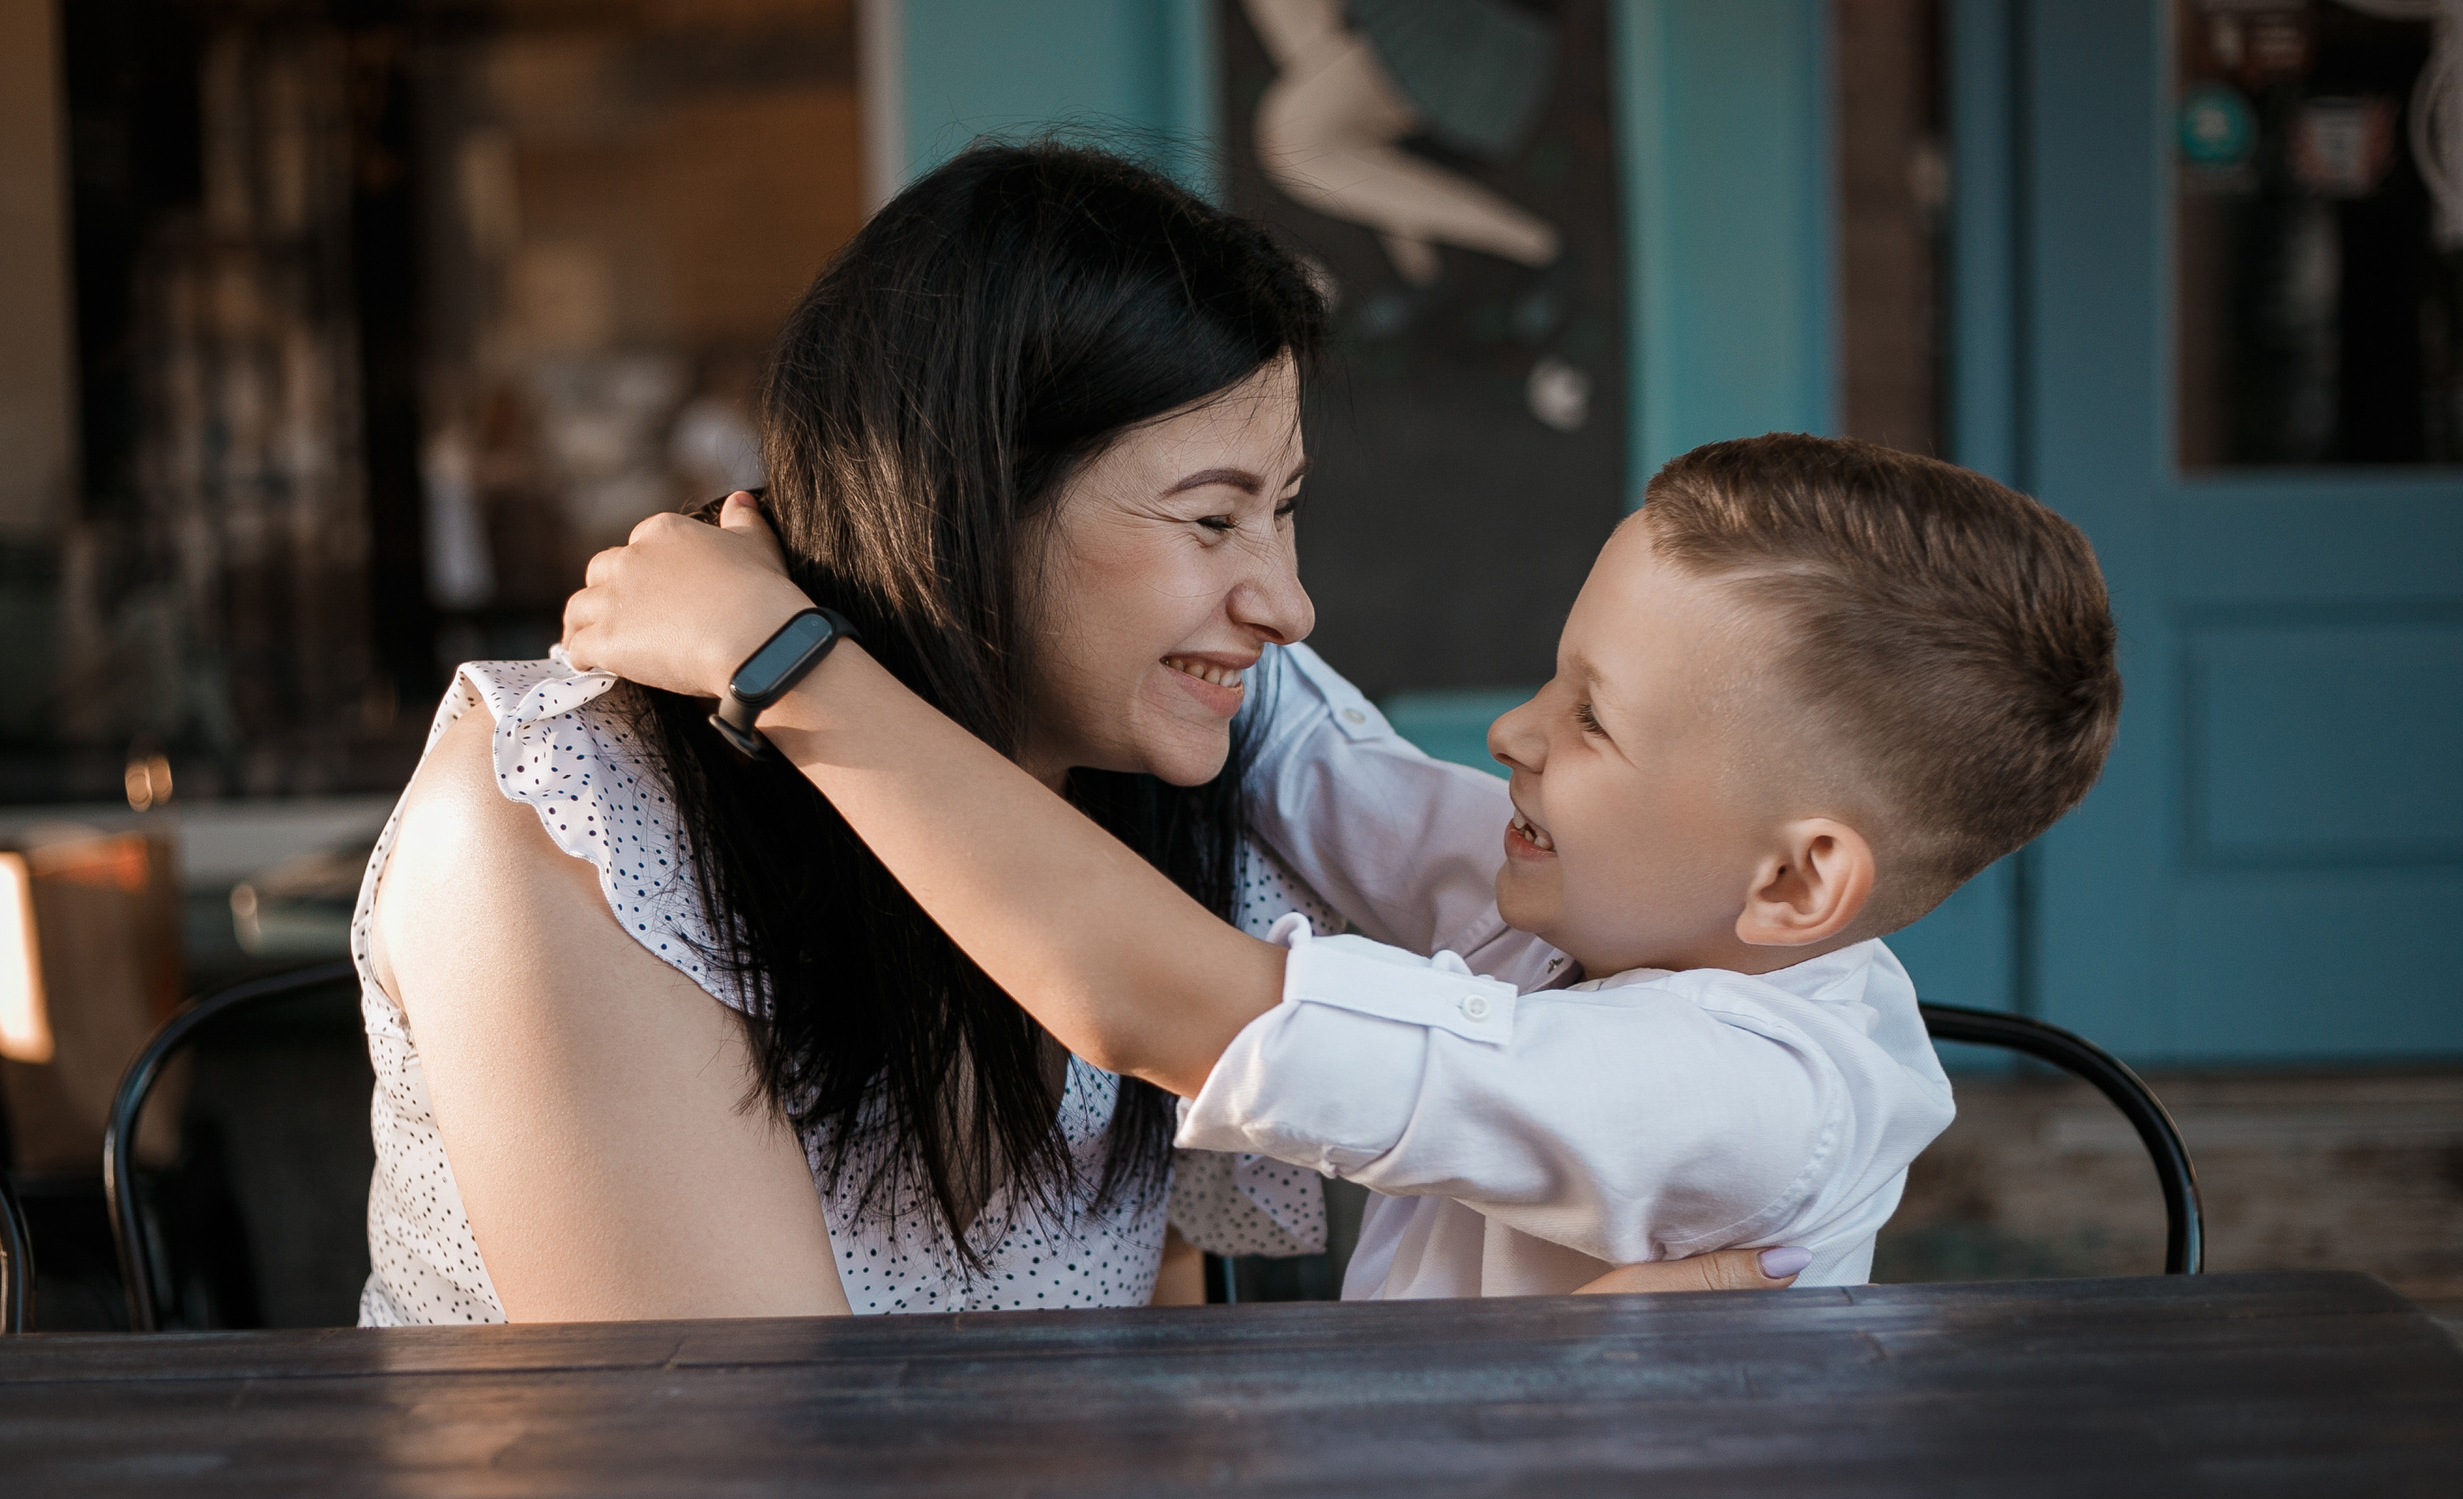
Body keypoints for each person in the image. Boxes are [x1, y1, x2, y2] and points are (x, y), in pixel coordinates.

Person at [359, 141, 1778, 1325]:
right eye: (1213, 517)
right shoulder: (568, 813)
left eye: (1282, 511)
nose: (1284, 601)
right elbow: (730, 1486)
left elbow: (1159, 1391)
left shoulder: (1157, 788)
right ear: (967, 500)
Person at [561, 433, 2122, 1297]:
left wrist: (785, 660)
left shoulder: (1753, 1092)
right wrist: (1081, 514)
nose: (1516, 730)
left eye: (1593, 720)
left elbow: (1162, 1003)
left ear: (1796, 886)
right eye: (1550, 675)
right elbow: (1317, 765)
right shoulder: (1612, 898)